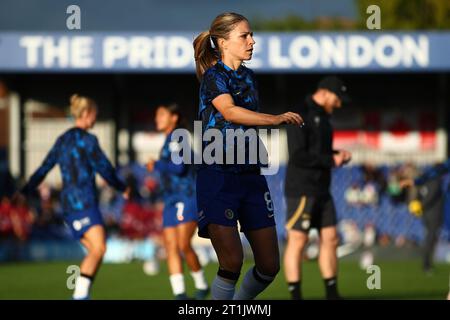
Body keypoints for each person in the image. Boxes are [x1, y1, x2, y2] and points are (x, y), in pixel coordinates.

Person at [193, 12, 303, 300]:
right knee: (231, 262)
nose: (252, 41)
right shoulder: (214, 77)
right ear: (222, 42)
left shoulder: (249, 77)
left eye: (251, 34)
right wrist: (275, 119)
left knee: (269, 266)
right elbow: (229, 111)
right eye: (244, 35)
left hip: (251, 176)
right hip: (218, 176)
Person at [14, 94, 129, 300]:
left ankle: (82, 295)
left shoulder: (62, 140)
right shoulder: (88, 140)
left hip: (67, 208)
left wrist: (25, 190)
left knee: (95, 249)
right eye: (94, 114)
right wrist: (121, 187)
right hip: (83, 202)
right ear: (86, 114)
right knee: (100, 248)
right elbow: (104, 168)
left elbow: (44, 168)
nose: (95, 118)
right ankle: (79, 296)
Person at [283, 76, 352, 300]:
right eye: (337, 99)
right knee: (298, 241)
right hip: (302, 189)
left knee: (331, 238)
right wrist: (331, 160)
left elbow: (318, 153)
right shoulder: (299, 114)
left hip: (323, 189)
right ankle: (296, 295)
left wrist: (336, 155)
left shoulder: (325, 118)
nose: (339, 104)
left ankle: (332, 294)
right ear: (324, 92)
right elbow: (298, 155)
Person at [146, 103, 209, 300]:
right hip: (171, 199)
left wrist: (156, 164)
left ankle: (201, 285)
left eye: (161, 114)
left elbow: (180, 167)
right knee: (171, 247)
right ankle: (180, 294)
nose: (157, 118)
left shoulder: (178, 136)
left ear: (173, 117)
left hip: (186, 196)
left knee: (183, 244)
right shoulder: (168, 140)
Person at [400, 162, 446, 273]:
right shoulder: (435, 181)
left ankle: (427, 263)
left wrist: (418, 205)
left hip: (426, 213)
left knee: (429, 238)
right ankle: (427, 264)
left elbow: (421, 196)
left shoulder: (426, 181)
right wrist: (419, 205)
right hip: (433, 214)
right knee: (430, 238)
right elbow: (431, 196)